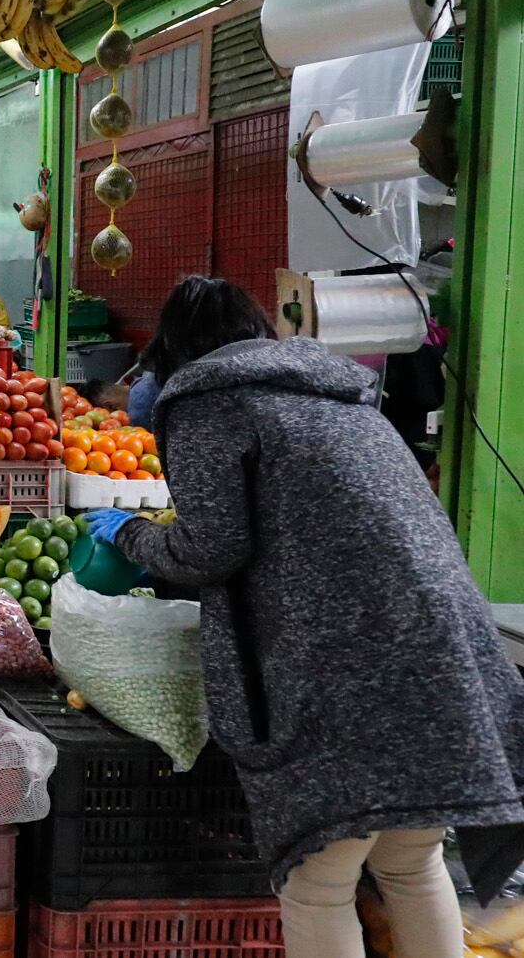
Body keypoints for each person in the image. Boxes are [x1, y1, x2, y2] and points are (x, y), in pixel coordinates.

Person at [84, 275, 524, 958]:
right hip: (446, 658)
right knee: (410, 863)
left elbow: (210, 546)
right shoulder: (342, 397)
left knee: (318, 879)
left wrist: (128, 534)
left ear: (176, 347)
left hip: (348, 666)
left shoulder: (211, 402)